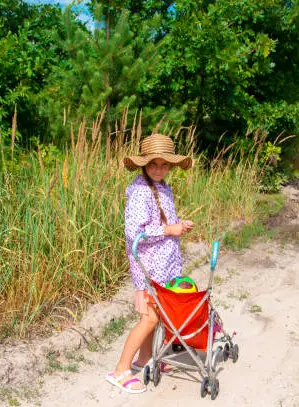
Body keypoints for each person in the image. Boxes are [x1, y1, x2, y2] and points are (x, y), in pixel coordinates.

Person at [106, 133, 195, 394]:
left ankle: (144, 360)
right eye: (154, 164)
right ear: (144, 164)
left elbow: (163, 222)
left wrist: (179, 226)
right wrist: (169, 230)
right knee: (148, 319)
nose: (159, 169)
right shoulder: (140, 191)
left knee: (156, 318)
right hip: (148, 268)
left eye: (165, 164)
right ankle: (121, 369)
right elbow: (135, 234)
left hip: (164, 266)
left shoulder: (163, 187)